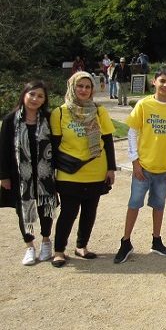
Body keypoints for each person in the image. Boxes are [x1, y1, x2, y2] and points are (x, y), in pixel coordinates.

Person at [114, 66, 166, 264]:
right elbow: (132, 132)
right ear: (154, 81)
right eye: (162, 81)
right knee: (134, 204)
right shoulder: (144, 104)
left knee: (159, 205)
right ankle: (126, 241)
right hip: (143, 167)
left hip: (164, 168)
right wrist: (135, 160)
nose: (165, 85)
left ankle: (156, 240)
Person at [49, 72, 116, 267]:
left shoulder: (99, 111)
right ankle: (59, 250)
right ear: (72, 87)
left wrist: (111, 168)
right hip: (70, 172)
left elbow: (108, 140)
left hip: (96, 169)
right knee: (68, 212)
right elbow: (54, 146)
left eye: (88, 87)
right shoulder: (59, 112)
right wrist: (52, 174)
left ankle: (81, 246)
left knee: (90, 211)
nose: (84, 90)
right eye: (80, 86)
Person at [0, 80, 58, 266]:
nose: (35, 98)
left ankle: (46, 241)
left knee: (46, 209)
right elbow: (3, 150)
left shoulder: (49, 119)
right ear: (24, 95)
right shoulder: (10, 120)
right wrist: (3, 175)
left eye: (40, 96)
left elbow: (57, 147)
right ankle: (30, 246)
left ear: (44, 100)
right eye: (32, 94)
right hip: (20, 176)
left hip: (45, 175)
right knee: (23, 211)